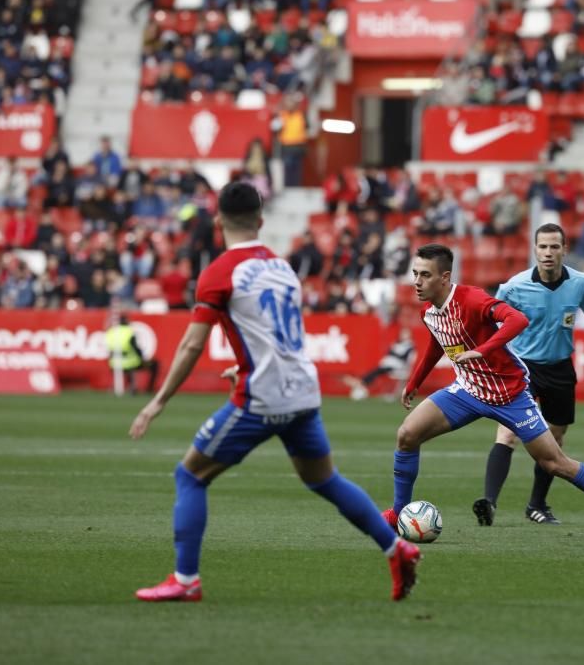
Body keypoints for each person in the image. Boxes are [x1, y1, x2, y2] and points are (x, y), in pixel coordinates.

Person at [128, 182, 421, 603]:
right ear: (261, 221)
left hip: (261, 398)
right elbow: (279, 335)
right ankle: (397, 548)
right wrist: (244, 365)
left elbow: (192, 344)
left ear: (218, 222)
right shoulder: (282, 267)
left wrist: (158, 402)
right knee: (324, 480)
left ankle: (186, 580)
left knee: (189, 475)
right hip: (302, 392)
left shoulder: (218, 272)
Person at [383, 243, 584, 542]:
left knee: (555, 463)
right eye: (415, 274)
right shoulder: (429, 312)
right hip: (468, 391)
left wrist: (481, 351)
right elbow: (438, 342)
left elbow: (518, 320)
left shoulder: (472, 299)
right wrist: (415, 381)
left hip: (510, 395)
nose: (417, 282)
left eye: (425, 275)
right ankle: (397, 513)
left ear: (444, 277)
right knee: (407, 435)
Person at [473, 223, 584, 526]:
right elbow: (490, 321)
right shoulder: (513, 286)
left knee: (555, 439)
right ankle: (489, 503)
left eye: (554, 246)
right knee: (507, 433)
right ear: (534, 250)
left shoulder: (579, 283)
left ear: (564, 249)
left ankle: (536, 505)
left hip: (560, 368)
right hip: (521, 368)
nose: (548, 252)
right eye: (542, 247)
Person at [343, 327, 416, 401]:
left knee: (377, 371)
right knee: (376, 371)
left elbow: (404, 359)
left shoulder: (410, 346)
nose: (403, 335)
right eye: (402, 333)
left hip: (399, 367)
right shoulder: (396, 343)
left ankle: (361, 384)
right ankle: (361, 384)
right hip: (389, 365)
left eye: (405, 334)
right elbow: (390, 354)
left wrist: (394, 355)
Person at [105, 314, 160, 395]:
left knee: (129, 367)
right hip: (130, 363)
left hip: (114, 363)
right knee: (155, 365)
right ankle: (149, 389)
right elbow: (136, 350)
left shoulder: (111, 332)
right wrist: (143, 359)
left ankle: (128, 386)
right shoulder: (129, 332)